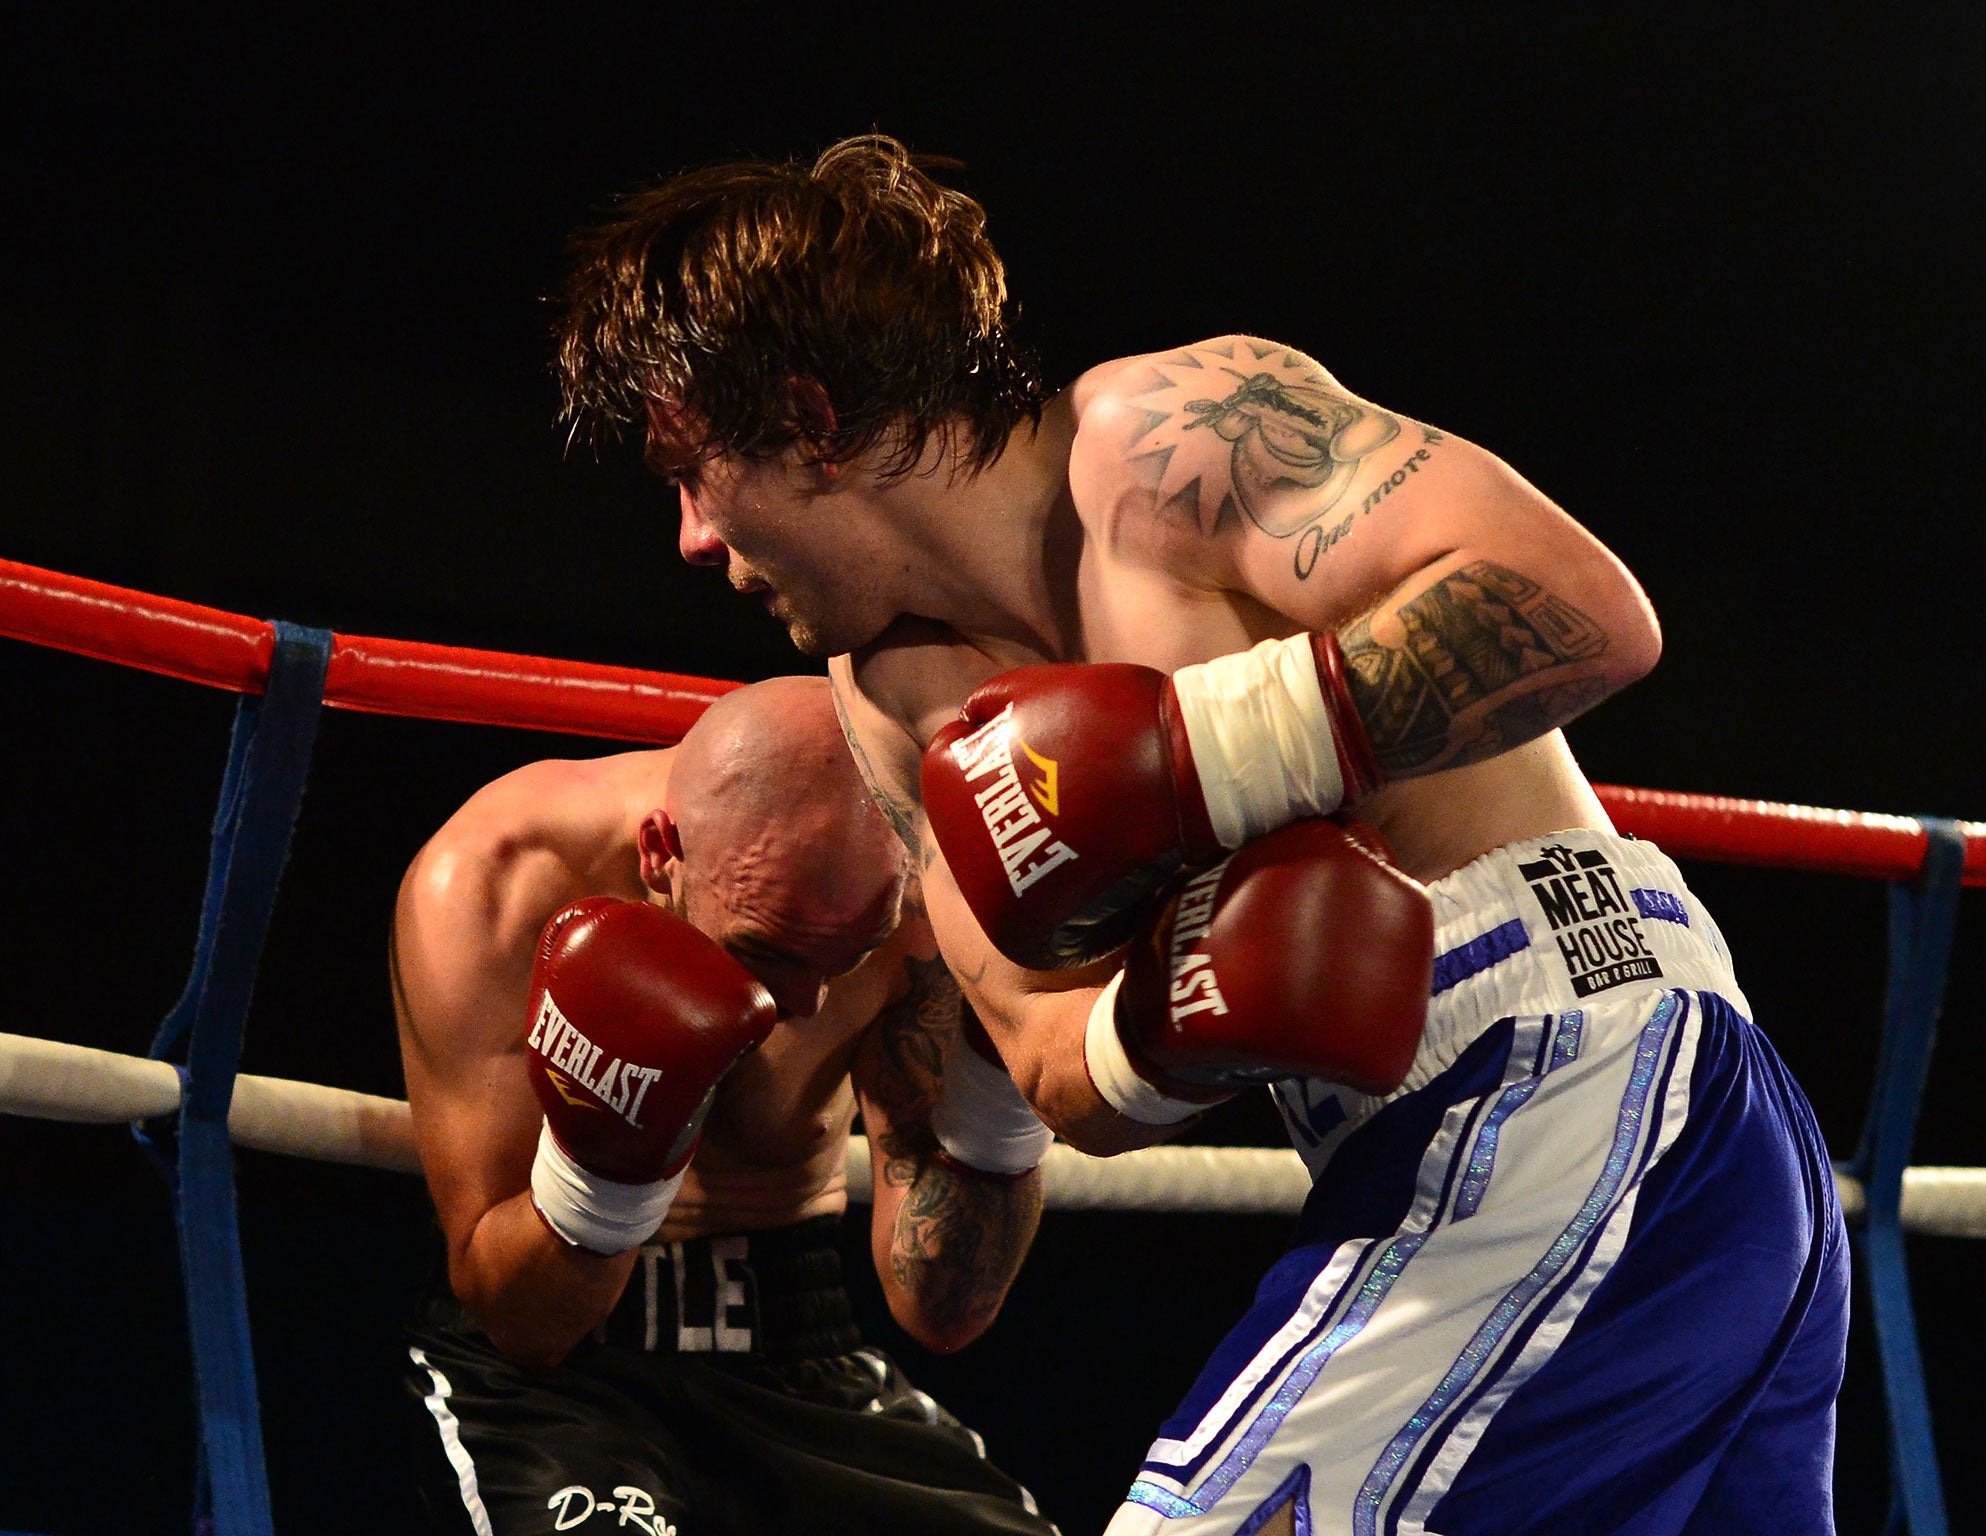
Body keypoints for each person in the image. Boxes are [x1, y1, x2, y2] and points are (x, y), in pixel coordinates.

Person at [553, 138, 1849, 1535]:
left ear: (809, 417)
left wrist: (1197, 760)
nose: (690, 538)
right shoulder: (895, 711)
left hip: (1576, 1070)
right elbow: (1054, 1066)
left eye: (695, 472)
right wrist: (1164, 1027)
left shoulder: (1167, 443)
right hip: (1523, 1151)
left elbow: (1583, 607)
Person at [390, 675, 1059, 1536]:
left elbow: (942, 1307)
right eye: (768, 952)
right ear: (661, 851)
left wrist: (1003, 1080)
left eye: (844, 958)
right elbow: (522, 1326)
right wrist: (605, 1165)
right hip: (554, 1386)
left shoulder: (922, 906)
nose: (807, 1005)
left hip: (799, 1345)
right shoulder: (498, 879)